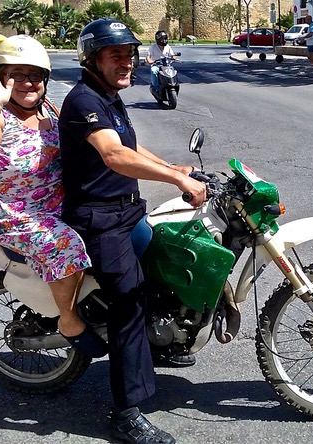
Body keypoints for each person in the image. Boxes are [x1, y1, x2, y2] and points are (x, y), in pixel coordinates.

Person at [59, 18, 206, 444]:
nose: (126, 63)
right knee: (129, 302)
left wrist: (171, 166)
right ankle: (125, 413)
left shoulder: (109, 96)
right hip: (99, 220)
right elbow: (112, 154)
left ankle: (163, 344)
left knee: (162, 271)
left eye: (129, 55)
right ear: (93, 59)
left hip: (127, 212)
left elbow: (129, 144)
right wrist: (177, 182)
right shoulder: (83, 99)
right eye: (115, 55)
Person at [0, 35, 106, 359]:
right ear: (3, 77)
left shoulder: (48, 110)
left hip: (60, 204)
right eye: (17, 75)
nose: (27, 83)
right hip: (16, 216)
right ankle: (69, 321)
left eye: (35, 75)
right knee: (67, 245)